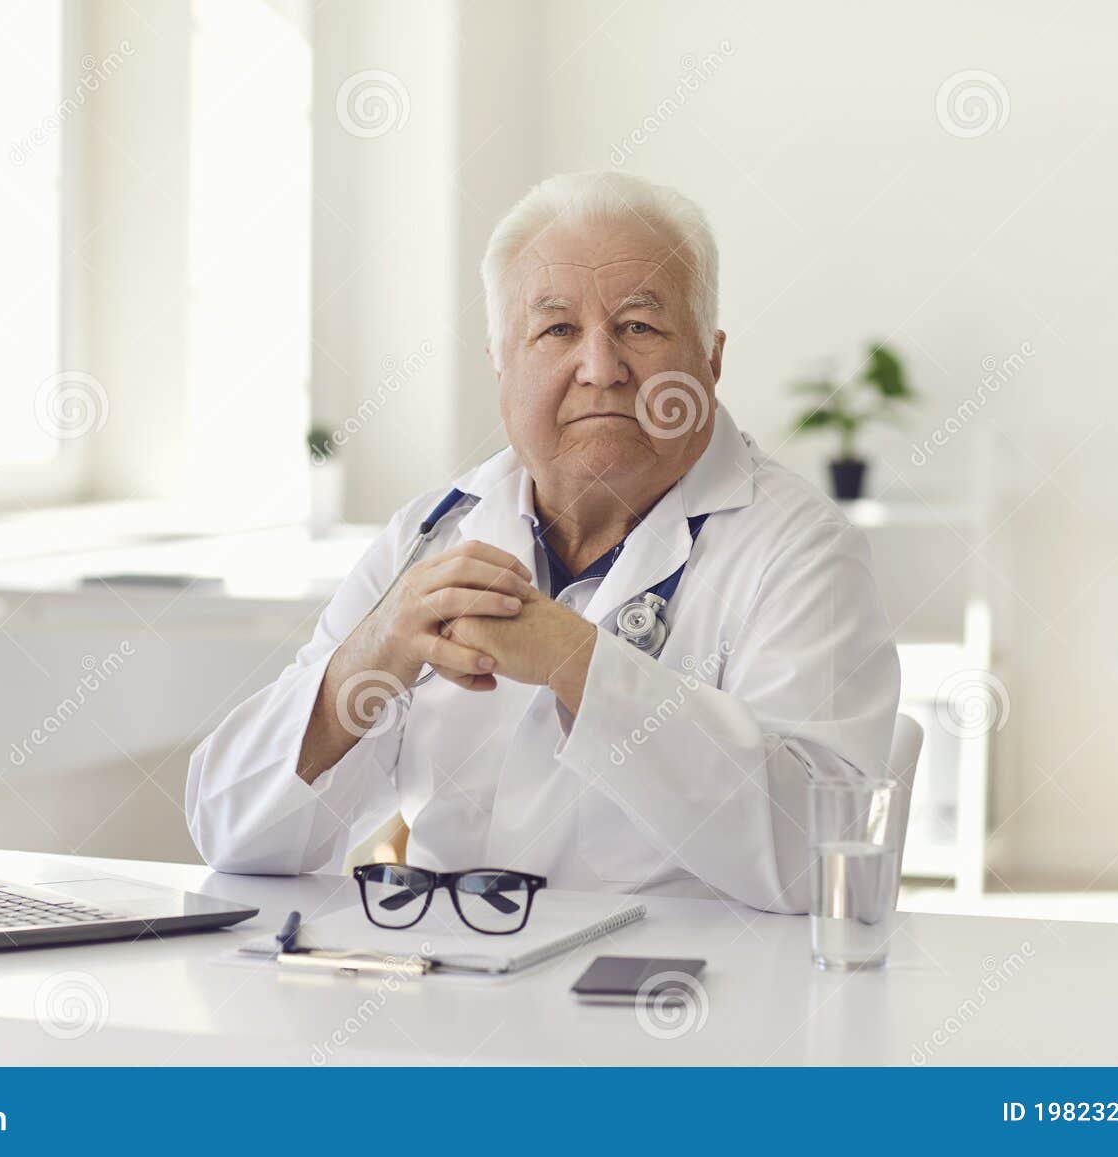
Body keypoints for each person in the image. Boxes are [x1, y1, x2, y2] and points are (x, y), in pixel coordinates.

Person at [185, 171, 900, 913]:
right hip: (447, 993)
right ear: (501, 360)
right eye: (556, 329)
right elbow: (233, 835)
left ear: (711, 358)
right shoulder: (431, 536)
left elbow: (831, 862)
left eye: (639, 327)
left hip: (687, 1002)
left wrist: (578, 664)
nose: (601, 369)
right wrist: (368, 661)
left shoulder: (802, 550)